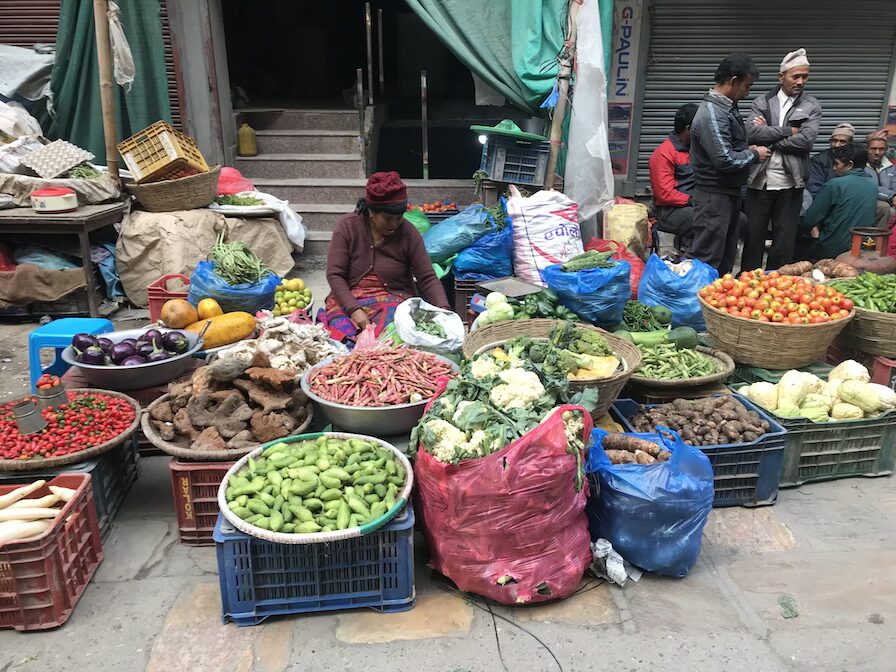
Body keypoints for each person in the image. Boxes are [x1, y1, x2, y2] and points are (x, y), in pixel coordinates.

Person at [322, 171, 450, 345]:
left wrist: (444, 311)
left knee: (391, 335)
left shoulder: (408, 234)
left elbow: (427, 277)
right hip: (349, 299)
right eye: (388, 218)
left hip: (391, 299)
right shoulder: (348, 227)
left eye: (399, 218)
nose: (394, 224)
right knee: (339, 337)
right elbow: (335, 274)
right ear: (371, 212)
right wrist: (353, 309)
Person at [742, 49, 822, 271]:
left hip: (791, 183)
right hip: (760, 181)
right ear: (781, 77)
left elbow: (806, 142)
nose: (800, 81)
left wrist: (769, 136)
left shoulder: (811, 105)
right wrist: (790, 130)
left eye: (804, 76)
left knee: (784, 239)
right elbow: (750, 133)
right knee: (753, 236)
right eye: (795, 76)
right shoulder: (762, 102)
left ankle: (778, 284)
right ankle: (749, 281)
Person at [689, 52, 769, 274]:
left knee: (724, 256)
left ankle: (715, 304)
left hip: (727, 194)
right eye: (747, 86)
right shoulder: (713, 113)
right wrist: (754, 154)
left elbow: (732, 145)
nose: (747, 92)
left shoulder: (727, 108)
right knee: (707, 257)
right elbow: (724, 159)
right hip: (714, 197)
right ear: (733, 81)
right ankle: (697, 305)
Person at [800, 142, 877, 260]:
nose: (834, 168)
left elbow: (809, 220)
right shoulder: (873, 184)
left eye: (836, 164)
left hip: (833, 250)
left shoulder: (835, 185)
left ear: (850, 165)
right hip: (862, 248)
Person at [649, 103, 698, 253]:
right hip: (669, 211)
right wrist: (691, 200)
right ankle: (696, 263)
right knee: (710, 220)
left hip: (693, 205)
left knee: (734, 218)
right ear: (689, 129)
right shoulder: (665, 153)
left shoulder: (696, 148)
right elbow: (664, 194)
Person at [807, 122, 855, 199]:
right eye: (834, 141)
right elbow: (814, 188)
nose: (837, 145)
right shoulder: (819, 160)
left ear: (850, 143)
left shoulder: (855, 158)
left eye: (842, 142)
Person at [865, 130, 896, 228]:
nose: (877, 152)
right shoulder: (860, 166)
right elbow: (869, 187)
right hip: (867, 202)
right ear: (867, 149)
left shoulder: (891, 167)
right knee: (885, 207)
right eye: (873, 149)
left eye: (881, 149)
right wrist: (891, 196)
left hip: (888, 203)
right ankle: (878, 240)